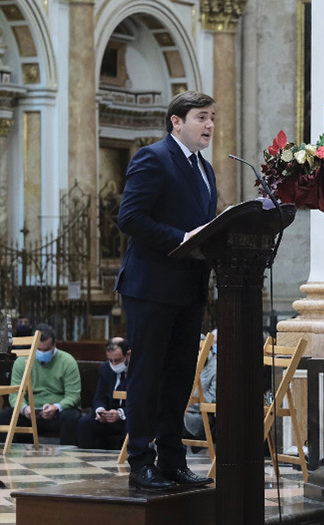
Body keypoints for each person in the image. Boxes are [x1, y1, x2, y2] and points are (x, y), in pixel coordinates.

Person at [116, 90, 217, 490]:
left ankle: (173, 461)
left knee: (177, 379)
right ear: (176, 121)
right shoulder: (152, 157)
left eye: (212, 118)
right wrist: (184, 238)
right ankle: (142, 461)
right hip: (151, 287)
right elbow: (130, 218)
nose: (209, 125)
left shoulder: (205, 170)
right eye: (201, 117)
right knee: (147, 376)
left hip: (189, 289)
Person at [0, 323, 81, 445]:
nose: (42, 353)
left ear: (54, 345)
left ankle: (68, 457)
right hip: (30, 412)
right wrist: (24, 408)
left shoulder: (67, 361)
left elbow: (73, 396)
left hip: (57, 412)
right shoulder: (21, 362)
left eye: (46, 349)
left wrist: (56, 407)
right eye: (38, 349)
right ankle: (11, 456)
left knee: (71, 417)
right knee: (5, 416)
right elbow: (14, 395)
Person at [77, 337, 130, 449]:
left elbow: (141, 402)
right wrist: (100, 410)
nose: (114, 364)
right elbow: (99, 397)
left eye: (117, 360)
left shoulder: (138, 371)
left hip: (128, 416)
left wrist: (120, 414)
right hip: (108, 416)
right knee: (85, 423)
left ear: (128, 355)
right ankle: (84, 460)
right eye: (110, 360)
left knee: (133, 425)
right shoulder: (105, 369)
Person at [184, 331, 217, 444]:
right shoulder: (187, 364)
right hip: (184, 409)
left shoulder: (215, 368)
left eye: (199, 349)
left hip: (199, 415)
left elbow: (211, 398)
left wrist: (187, 404)